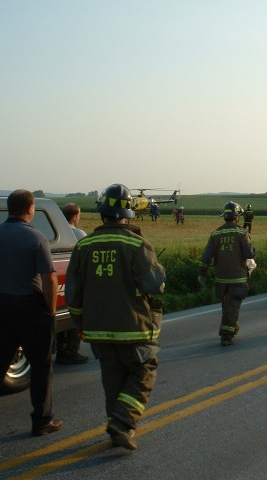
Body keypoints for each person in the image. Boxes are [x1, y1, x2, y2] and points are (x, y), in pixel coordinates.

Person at [66, 184, 166, 450]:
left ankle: (116, 428)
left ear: (103, 213)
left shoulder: (84, 246)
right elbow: (154, 285)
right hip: (132, 327)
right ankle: (123, 422)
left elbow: (73, 294)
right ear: (127, 214)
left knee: (112, 378)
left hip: (97, 329)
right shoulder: (137, 244)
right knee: (144, 371)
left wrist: (79, 324)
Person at [0, 189, 63, 441]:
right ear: (30, 208)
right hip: (31, 307)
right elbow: (49, 277)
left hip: (1, 306)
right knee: (41, 366)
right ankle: (42, 420)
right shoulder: (36, 238)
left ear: (9, 208)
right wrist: (50, 310)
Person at [198, 201, 256, 346]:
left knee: (227, 305)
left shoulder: (216, 234)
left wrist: (202, 274)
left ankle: (232, 325)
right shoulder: (242, 233)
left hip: (221, 278)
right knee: (233, 305)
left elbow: (206, 257)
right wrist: (252, 249)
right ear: (237, 217)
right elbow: (249, 254)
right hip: (238, 277)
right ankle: (227, 335)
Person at [55, 203, 89, 365]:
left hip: (59, 276)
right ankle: (71, 351)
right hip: (76, 277)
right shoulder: (78, 233)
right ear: (74, 216)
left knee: (61, 312)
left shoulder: (56, 231)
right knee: (75, 313)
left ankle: (61, 349)